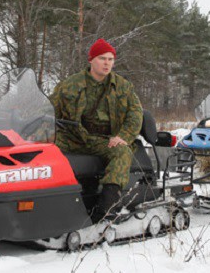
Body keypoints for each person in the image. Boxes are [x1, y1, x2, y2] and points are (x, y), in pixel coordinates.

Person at [49, 38, 143, 223]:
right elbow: (48, 110)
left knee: (122, 152)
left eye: (110, 59)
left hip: (105, 140)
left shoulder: (123, 87)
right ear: (91, 60)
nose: (107, 63)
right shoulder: (70, 85)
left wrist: (122, 137)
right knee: (40, 154)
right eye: (102, 58)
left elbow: (135, 114)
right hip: (72, 139)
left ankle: (106, 208)